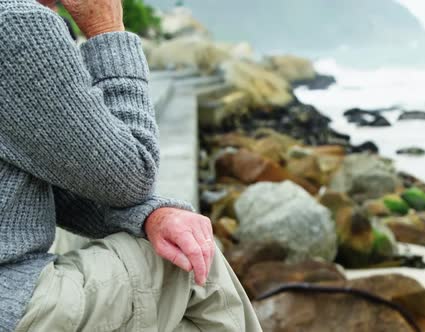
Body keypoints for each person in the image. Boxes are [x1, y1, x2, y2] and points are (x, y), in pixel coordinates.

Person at [0, 0, 262, 331]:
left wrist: (150, 214)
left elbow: (45, 179)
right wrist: (107, 30)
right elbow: (132, 174)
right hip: (12, 301)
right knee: (194, 264)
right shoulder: (16, 22)